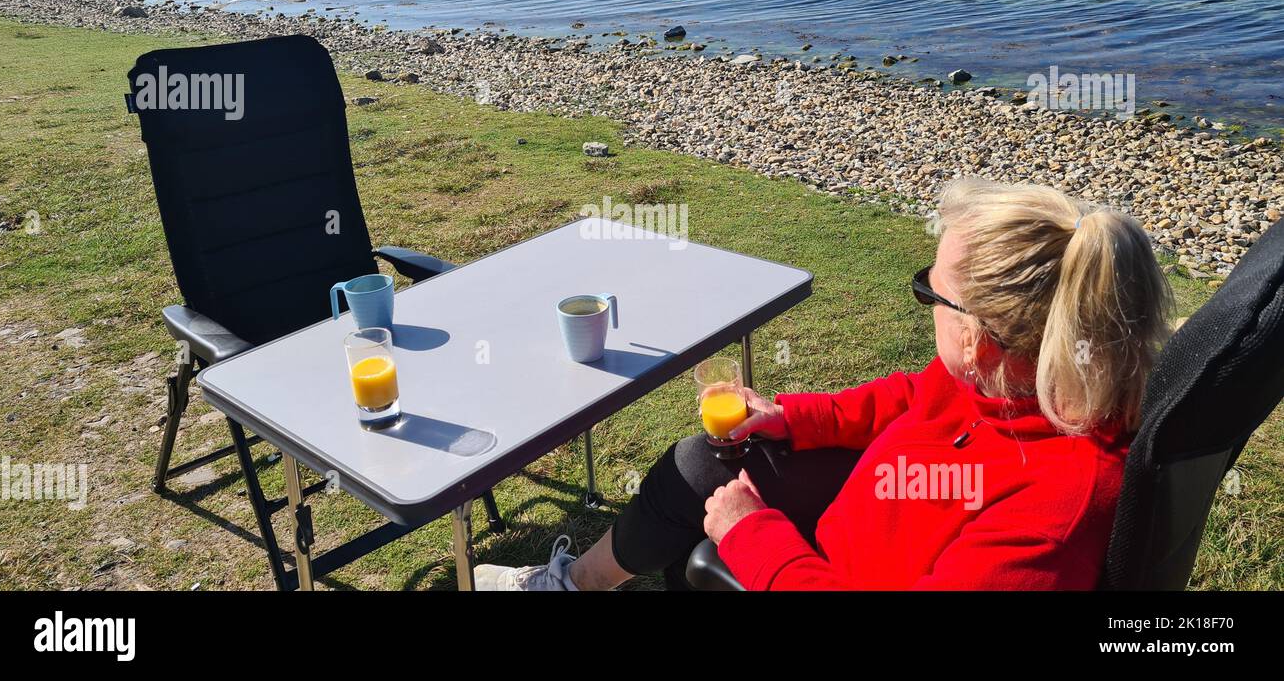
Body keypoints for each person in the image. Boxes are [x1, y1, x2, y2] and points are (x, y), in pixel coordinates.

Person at [475, 178, 1173, 590]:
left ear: (976, 331)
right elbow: (907, 397)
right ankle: (568, 584)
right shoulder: (1011, 381)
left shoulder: (1055, 511)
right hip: (848, 529)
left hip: (826, 569)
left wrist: (754, 537)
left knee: (707, 541)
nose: (925, 300)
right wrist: (792, 417)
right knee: (699, 462)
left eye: (929, 292)